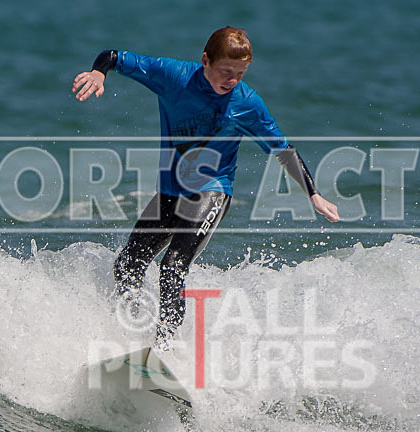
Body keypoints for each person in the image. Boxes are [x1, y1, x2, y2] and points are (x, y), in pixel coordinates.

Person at [72, 26, 339, 351]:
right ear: (205, 61)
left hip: (212, 191)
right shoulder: (173, 77)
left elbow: (283, 150)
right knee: (128, 264)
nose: (232, 80)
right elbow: (115, 57)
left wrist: (312, 192)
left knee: (172, 266)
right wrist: (99, 73)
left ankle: (165, 350)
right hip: (171, 190)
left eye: (240, 73)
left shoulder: (247, 103)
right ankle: (132, 334)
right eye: (226, 71)